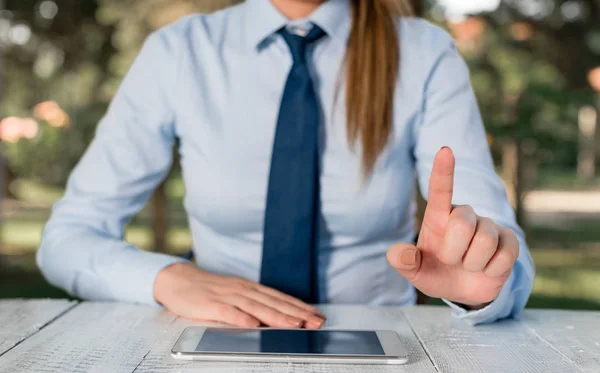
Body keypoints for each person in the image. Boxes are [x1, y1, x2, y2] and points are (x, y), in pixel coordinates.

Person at [37, 0, 534, 328]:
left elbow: (500, 252)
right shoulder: (178, 52)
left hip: (381, 355)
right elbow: (68, 238)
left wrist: (483, 284)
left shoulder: (425, 53)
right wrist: (168, 279)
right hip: (211, 351)